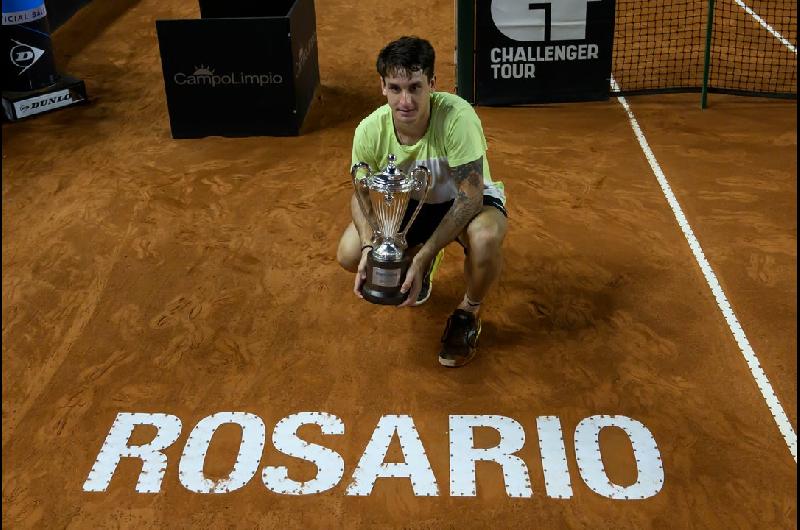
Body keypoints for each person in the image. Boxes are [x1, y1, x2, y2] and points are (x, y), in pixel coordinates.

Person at [336, 36, 507, 367]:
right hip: (413, 205)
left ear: (431, 83)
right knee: (348, 252)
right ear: (382, 87)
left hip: (466, 200)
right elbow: (360, 194)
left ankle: (467, 313)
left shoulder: (458, 118)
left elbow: (470, 199)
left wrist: (426, 251)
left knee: (485, 239)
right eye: (396, 88)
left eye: (415, 87)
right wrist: (371, 246)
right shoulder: (369, 130)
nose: (406, 100)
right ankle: (420, 259)